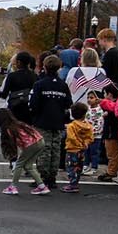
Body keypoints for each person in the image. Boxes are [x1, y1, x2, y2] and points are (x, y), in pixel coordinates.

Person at [27, 55, 73, 189]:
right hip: (58, 122)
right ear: (59, 68)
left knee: (43, 149)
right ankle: (52, 177)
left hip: (42, 121)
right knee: (56, 149)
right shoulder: (63, 85)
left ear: (45, 67)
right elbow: (68, 104)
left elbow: (34, 104)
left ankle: (42, 177)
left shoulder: (40, 84)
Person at [0, 108, 48, 195]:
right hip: (40, 141)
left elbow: (13, 146)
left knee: (19, 164)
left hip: (31, 145)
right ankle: (42, 186)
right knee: (28, 166)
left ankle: (13, 187)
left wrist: (13, 157)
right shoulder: (18, 124)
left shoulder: (9, 129)